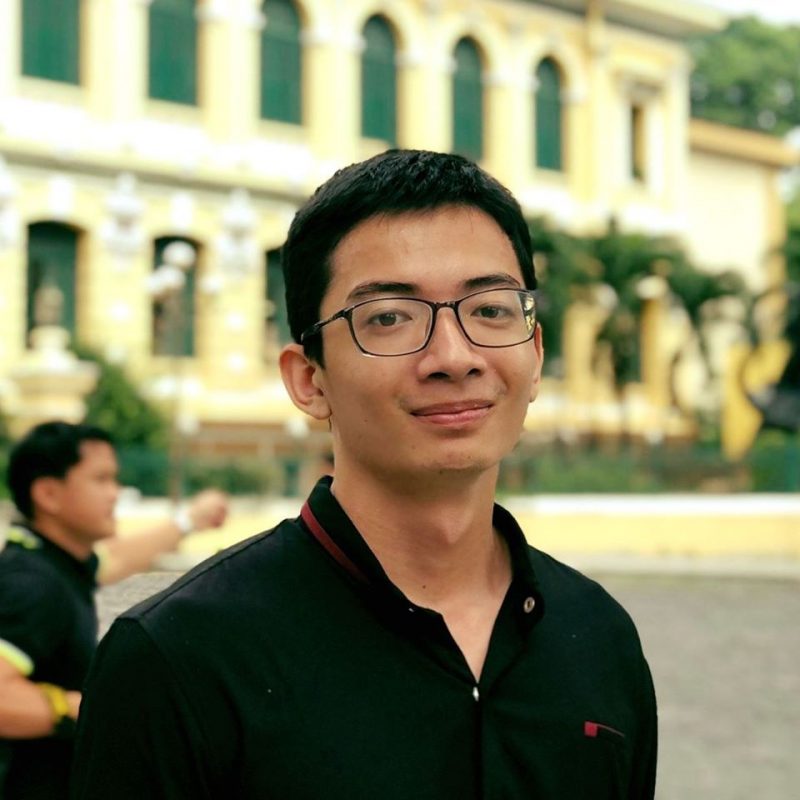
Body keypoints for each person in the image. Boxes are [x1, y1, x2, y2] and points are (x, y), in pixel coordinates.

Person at [71, 150, 657, 799]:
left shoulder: (598, 636)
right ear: (308, 378)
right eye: (388, 318)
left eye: (490, 310)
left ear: (536, 354)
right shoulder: (180, 658)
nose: (454, 357)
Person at [0, 420, 228, 799]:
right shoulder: (34, 585)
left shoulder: (52, 563)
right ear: (48, 494)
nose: (115, 493)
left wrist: (190, 520)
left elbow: (115, 558)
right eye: (101, 479)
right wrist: (92, 709)